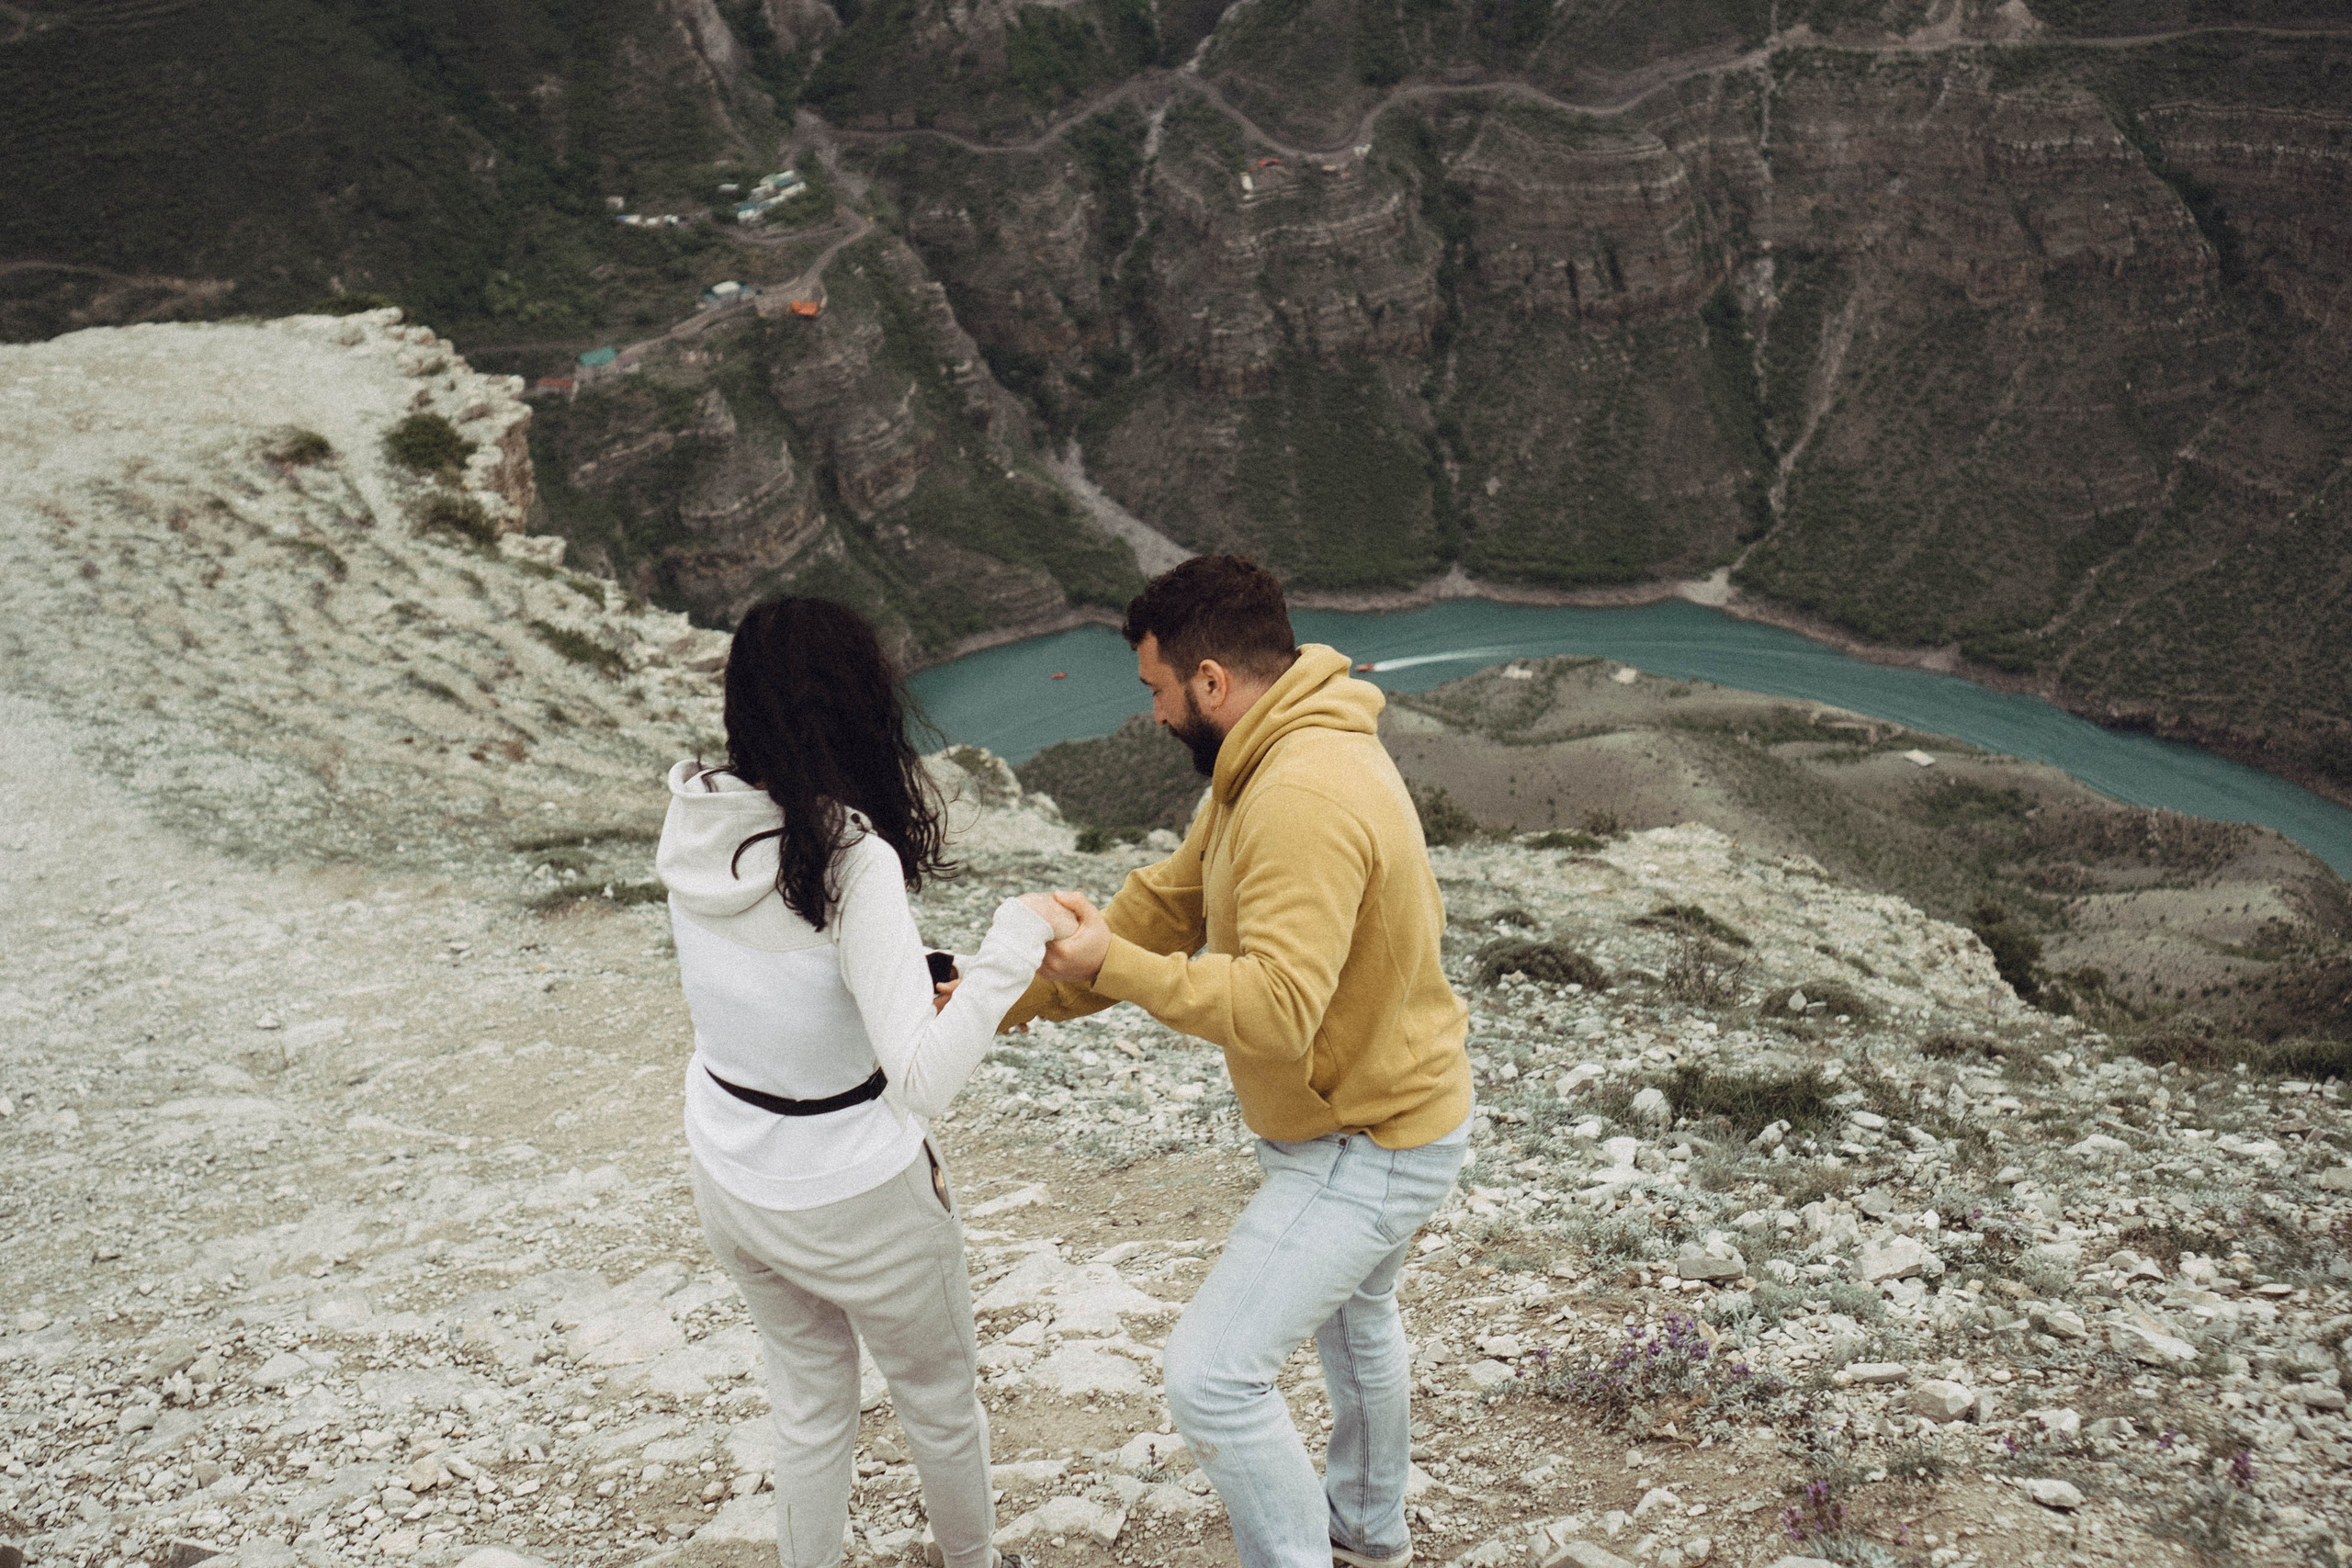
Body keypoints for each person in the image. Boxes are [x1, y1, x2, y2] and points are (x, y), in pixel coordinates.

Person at [1008, 555, 1474, 1568]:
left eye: (1157, 690)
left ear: (1210, 681)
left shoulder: (1298, 793)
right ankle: (1366, 1534)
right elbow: (1168, 904)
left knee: (1212, 1378)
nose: (1155, 714)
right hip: (1385, 1108)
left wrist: (1115, 967)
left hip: (1368, 1137)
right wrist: (1008, 999)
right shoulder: (1264, 759)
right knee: (1357, 1330)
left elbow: (1272, 1010)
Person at [657, 595, 1066, 1568]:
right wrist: (1013, 946)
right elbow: (920, 1080)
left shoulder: (694, 813)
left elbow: (774, 972)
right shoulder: (850, 857)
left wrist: (894, 970)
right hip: (858, 1193)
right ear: (858, 705)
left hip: (731, 1168)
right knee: (936, 1400)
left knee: (807, 1402)